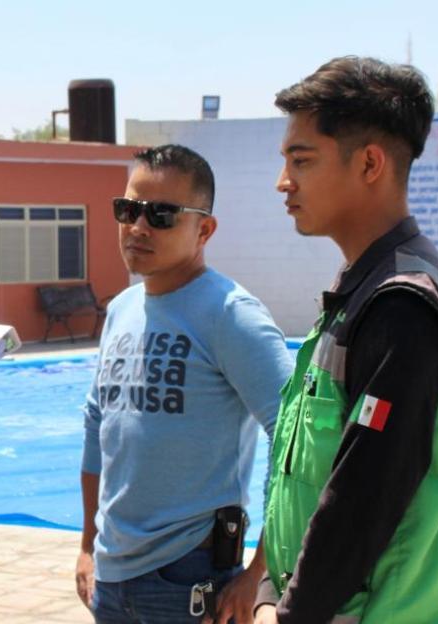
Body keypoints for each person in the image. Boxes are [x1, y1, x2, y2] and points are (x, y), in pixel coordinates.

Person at [254, 57, 438, 623]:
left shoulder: (402, 305)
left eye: (301, 161)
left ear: (370, 163)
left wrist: (290, 614)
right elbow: (302, 472)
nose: (283, 182)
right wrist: (267, 588)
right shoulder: (360, 289)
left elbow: (362, 500)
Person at [77, 144, 294, 624]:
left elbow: (295, 441)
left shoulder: (230, 315)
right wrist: (88, 546)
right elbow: (97, 426)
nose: (138, 227)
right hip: (112, 575)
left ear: (205, 230)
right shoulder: (121, 311)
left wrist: (261, 572)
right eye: (128, 209)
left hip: (189, 579)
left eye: (161, 214)